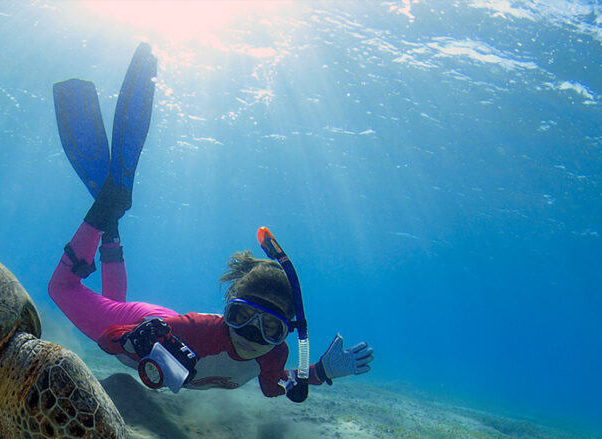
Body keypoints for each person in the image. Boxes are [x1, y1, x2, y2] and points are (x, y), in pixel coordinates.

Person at [49, 43, 373, 401]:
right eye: (242, 317)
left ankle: (109, 226)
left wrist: (322, 372)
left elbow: (277, 384)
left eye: (269, 328)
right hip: (150, 322)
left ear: (284, 335)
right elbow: (111, 337)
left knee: (113, 301)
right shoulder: (196, 330)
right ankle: (105, 209)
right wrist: (128, 338)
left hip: (155, 322)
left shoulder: (273, 355)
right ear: (226, 310)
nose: (251, 336)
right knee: (61, 289)